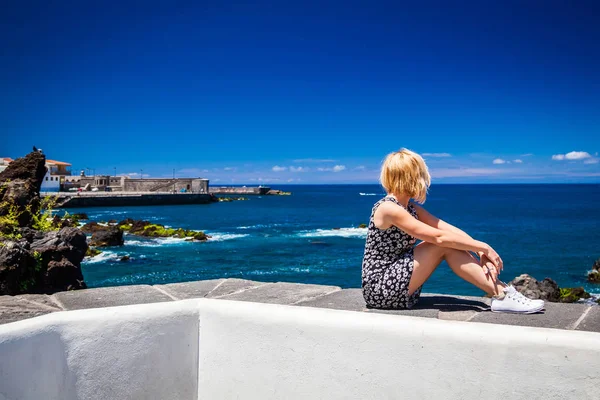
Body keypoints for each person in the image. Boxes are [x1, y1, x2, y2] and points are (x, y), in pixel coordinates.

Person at [361, 149, 544, 314]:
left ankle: (502, 293)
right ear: (411, 176)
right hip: (381, 288)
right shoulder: (388, 208)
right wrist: (485, 247)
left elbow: (446, 228)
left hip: (397, 286)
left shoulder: (410, 208)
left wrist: (479, 250)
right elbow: (439, 237)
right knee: (442, 245)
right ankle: (501, 295)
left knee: (450, 242)